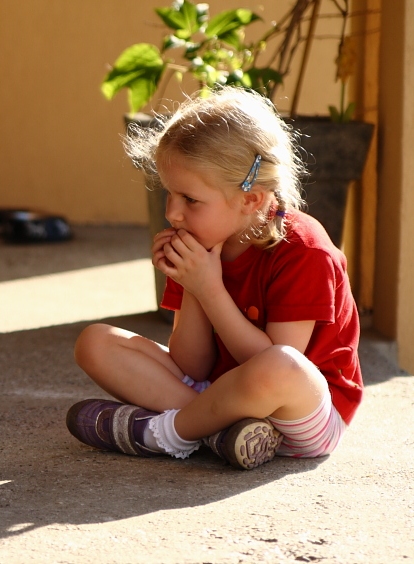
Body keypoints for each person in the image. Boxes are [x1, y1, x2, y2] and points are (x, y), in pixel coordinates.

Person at [66, 87, 363, 469]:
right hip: (222, 393)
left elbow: (271, 364)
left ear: (251, 199)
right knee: (95, 343)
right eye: (168, 194)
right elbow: (193, 365)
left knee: (280, 366)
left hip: (300, 413)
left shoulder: (305, 250)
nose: (173, 213)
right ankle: (219, 433)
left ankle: (164, 434)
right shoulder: (200, 242)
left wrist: (209, 287)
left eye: (190, 199)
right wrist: (194, 286)